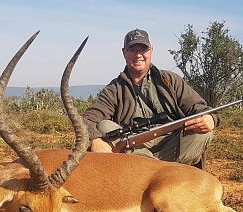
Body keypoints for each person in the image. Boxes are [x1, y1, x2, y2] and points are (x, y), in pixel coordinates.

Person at [83, 28, 220, 169]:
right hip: (134, 147)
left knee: (203, 133)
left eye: (143, 49)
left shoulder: (171, 80)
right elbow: (89, 118)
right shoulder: (114, 89)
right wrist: (95, 139)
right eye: (132, 50)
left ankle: (149, 170)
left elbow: (199, 108)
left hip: (171, 144)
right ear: (124, 53)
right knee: (105, 125)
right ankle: (159, 172)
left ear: (151, 51)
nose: (138, 55)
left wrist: (211, 118)